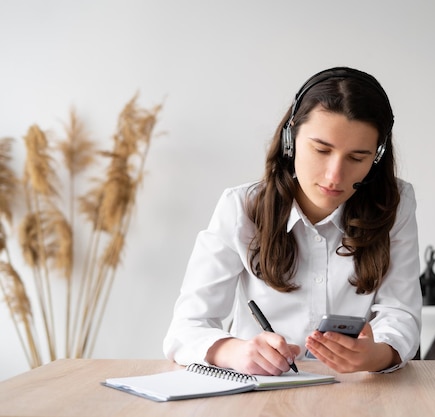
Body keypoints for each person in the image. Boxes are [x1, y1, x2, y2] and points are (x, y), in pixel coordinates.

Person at [163, 67, 421, 376]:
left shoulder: (395, 203)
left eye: (357, 158)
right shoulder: (241, 207)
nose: (334, 176)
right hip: (258, 395)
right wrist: (236, 352)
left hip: (357, 395)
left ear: (376, 158)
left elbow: (401, 313)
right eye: (321, 150)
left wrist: (377, 355)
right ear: (291, 140)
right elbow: (186, 328)